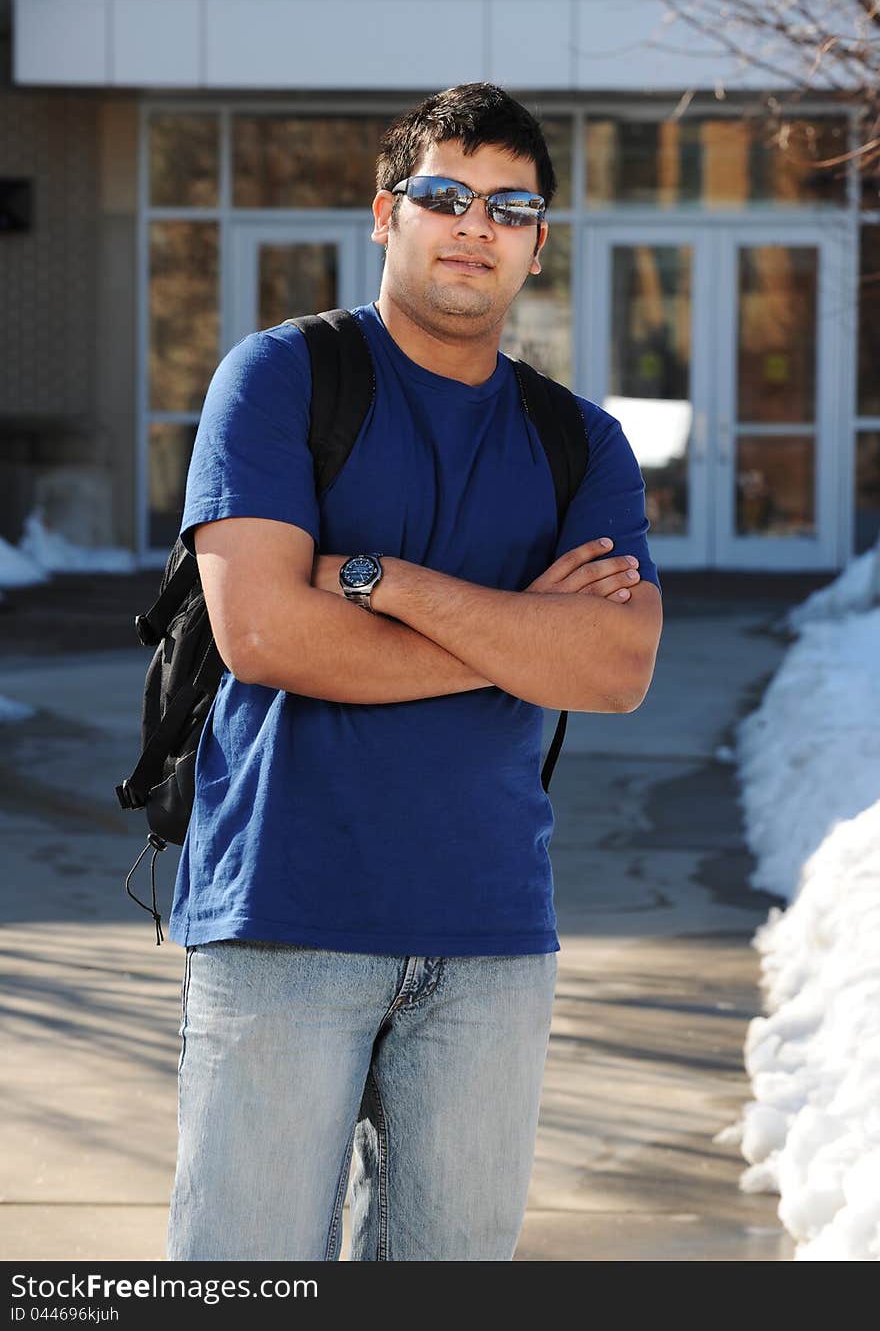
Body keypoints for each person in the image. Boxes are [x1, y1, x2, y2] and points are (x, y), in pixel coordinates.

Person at [165, 82, 663, 1263]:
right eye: (444, 195)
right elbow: (266, 637)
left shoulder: (576, 439)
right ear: (385, 215)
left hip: (490, 934)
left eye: (509, 204)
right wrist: (512, 640)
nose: (473, 223)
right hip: (286, 911)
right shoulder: (284, 376)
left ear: (538, 244)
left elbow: (616, 664)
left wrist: (383, 582)